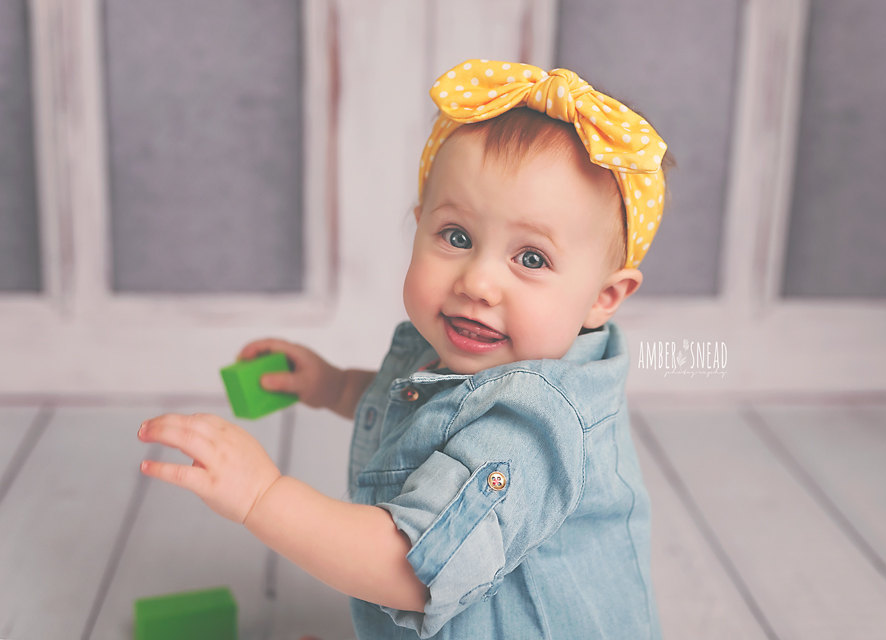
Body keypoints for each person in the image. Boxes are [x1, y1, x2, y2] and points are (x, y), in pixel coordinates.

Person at [138, 58, 670, 639]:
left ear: (603, 297)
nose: (477, 282)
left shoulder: (531, 426)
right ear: (419, 227)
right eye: (457, 237)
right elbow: (428, 413)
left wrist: (263, 495)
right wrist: (333, 385)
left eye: (531, 258)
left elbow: (411, 569)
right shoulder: (469, 347)